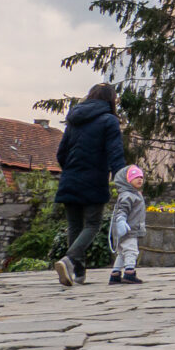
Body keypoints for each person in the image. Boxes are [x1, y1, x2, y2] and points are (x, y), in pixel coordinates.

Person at [53, 82, 125, 288]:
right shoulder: (109, 121)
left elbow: (61, 154)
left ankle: (79, 273)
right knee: (92, 224)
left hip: (70, 178)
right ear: (110, 100)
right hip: (94, 179)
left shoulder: (74, 120)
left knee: (74, 226)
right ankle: (69, 260)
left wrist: (72, 170)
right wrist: (123, 179)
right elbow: (115, 153)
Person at [108, 165, 147, 285]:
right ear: (128, 180)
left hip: (128, 230)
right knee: (131, 251)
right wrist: (121, 221)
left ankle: (115, 274)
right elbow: (122, 210)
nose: (140, 179)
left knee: (122, 253)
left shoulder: (135, 194)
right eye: (136, 177)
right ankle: (129, 273)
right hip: (128, 230)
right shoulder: (127, 195)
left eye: (141, 177)